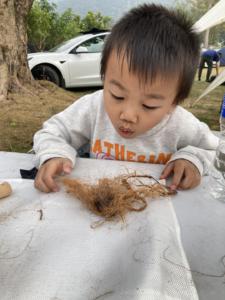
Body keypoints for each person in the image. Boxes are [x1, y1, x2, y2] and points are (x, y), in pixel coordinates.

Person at [33, 4, 218, 193]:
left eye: (149, 105)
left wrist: (191, 159)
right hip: (99, 205)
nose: (128, 115)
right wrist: (54, 154)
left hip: (158, 207)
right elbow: (51, 132)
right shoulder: (94, 107)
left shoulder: (180, 123)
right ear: (104, 79)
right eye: (117, 95)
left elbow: (213, 149)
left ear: (173, 103)